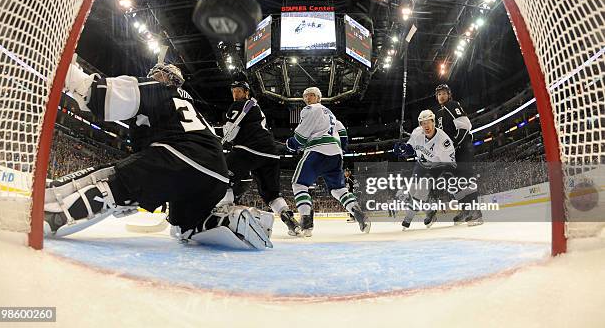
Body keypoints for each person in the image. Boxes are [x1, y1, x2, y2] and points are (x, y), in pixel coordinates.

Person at [43, 58, 272, 250]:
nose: (153, 75)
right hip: (216, 174)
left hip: (180, 157)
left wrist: (68, 74)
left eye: (157, 74)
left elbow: (97, 93)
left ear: (167, 79)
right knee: (186, 226)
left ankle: (51, 214)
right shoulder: (189, 106)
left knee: (111, 179)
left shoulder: (158, 91)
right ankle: (230, 220)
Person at [222, 75, 301, 236]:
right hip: (271, 153)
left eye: (239, 91)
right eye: (234, 91)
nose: (236, 94)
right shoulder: (257, 108)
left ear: (246, 93)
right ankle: (291, 221)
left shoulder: (238, 105)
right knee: (272, 194)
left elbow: (230, 135)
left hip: (248, 149)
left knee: (222, 176)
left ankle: (224, 214)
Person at [286, 87, 370, 236]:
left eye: (311, 96)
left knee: (299, 184)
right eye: (305, 96)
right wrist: (341, 149)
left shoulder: (311, 109)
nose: (307, 99)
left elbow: (300, 137)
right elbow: (343, 133)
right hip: (335, 154)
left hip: (317, 150)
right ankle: (359, 214)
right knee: (338, 189)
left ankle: (306, 224)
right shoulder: (331, 115)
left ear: (318, 98)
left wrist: (292, 143)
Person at [394, 109, 456, 229]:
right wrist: (401, 150)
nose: (426, 125)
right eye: (423, 123)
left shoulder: (443, 140)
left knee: (422, 190)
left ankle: (408, 219)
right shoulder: (417, 133)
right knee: (411, 192)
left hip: (436, 167)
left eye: (428, 122)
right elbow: (410, 149)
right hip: (421, 165)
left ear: (433, 122)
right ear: (420, 125)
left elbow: (449, 163)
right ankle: (430, 212)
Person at [434, 84, 482, 226]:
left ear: (449, 95)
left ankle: (476, 212)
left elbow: (465, 125)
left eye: (444, 93)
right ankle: (465, 210)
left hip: (462, 149)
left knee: (466, 178)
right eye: (439, 94)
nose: (441, 96)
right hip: (451, 153)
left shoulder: (452, 105)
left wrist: (454, 144)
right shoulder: (438, 114)